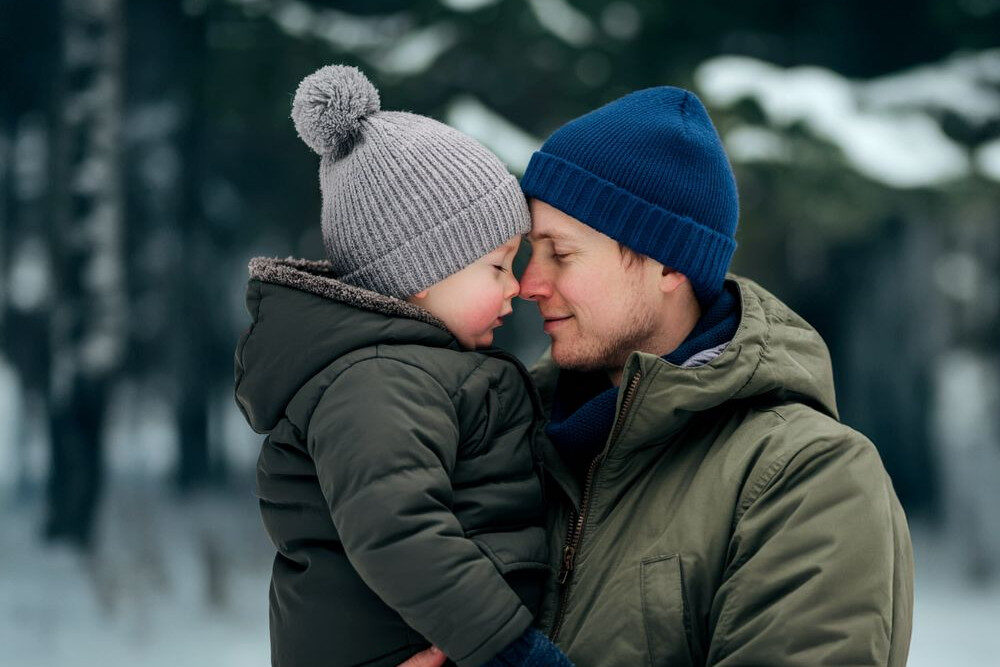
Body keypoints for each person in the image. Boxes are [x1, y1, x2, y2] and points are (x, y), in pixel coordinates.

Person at [502, 85, 914, 666]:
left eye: (560, 253)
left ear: (668, 263)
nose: (528, 284)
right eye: (528, 251)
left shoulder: (805, 476)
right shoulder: (508, 435)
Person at [234, 65, 571, 667]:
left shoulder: (412, 369)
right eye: (497, 266)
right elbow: (398, 529)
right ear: (420, 273)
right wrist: (508, 649)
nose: (516, 287)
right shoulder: (378, 380)